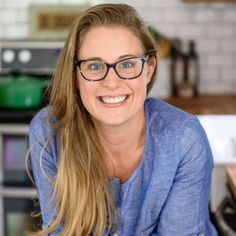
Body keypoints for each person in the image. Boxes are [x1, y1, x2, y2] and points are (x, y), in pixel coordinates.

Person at [28, 3, 218, 236]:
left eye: (127, 64)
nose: (111, 82)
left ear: (149, 69)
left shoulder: (184, 140)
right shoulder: (49, 133)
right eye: (95, 66)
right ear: (75, 75)